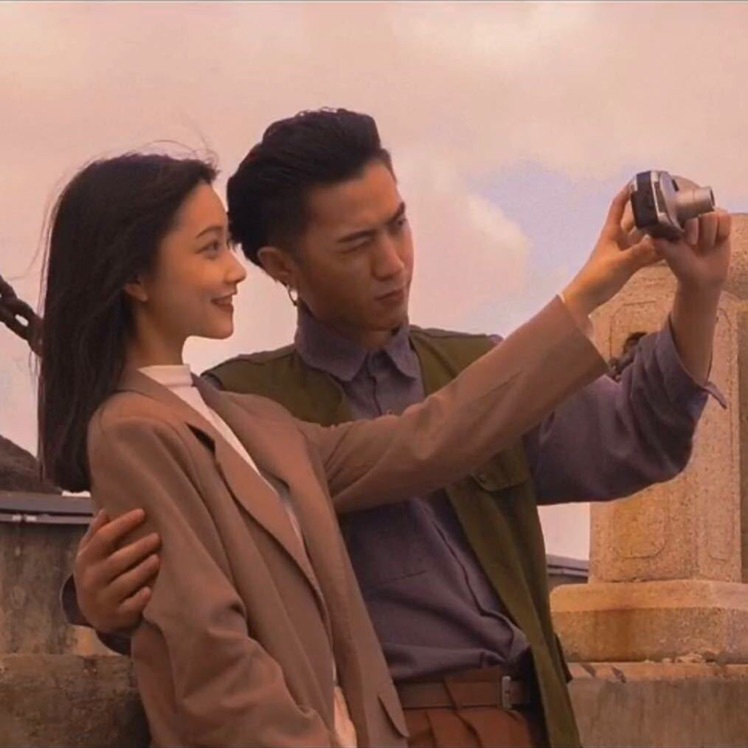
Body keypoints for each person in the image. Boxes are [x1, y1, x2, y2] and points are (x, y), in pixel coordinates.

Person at [64, 112, 731, 748]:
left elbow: (629, 436)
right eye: (358, 244)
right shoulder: (243, 406)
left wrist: (697, 297)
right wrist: (100, 602)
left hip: (526, 716)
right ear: (283, 266)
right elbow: (201, 610)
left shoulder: (477, 370)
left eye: (398, 225)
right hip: (379, 721)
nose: (392, 263)